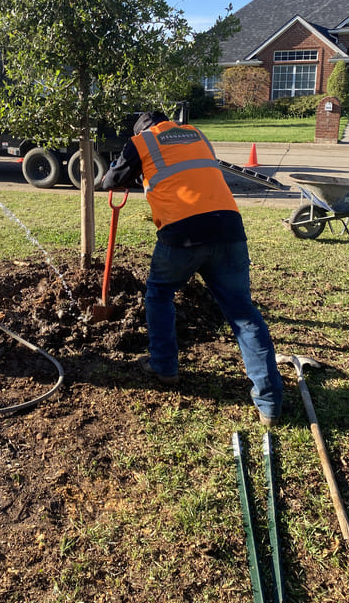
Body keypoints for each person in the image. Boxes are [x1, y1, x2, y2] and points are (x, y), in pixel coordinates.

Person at [101, 110, 283, 426]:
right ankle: (269, 403)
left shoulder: (141, 141)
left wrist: (130, 170)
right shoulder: (196, 134)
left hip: (182, 233)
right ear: (168, 121)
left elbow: (111, 180)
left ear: (143, 128)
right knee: (242, 312)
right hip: (228, 228)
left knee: (158, 295)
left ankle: (164, 367)